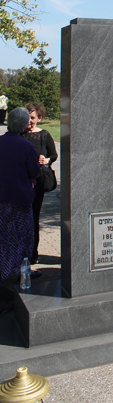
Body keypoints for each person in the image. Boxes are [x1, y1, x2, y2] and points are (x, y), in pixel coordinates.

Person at [0, 107, 40, 284]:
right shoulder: (26, 146)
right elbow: (34, 171)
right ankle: (20, 271)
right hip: (20, 198)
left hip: (2, 197)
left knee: (4, 235)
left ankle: (4, 269)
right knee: (22, 236)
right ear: (24, 124)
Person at [21, 102, 58, 265]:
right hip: (22, 182)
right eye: (27, 117)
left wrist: (47, 160)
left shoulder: (44, 135)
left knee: (34, 217)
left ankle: (33, 253)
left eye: (33, 118)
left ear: (39, 118)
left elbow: (54, 155)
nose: (29, 121)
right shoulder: (20, 134)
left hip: (38, 182)